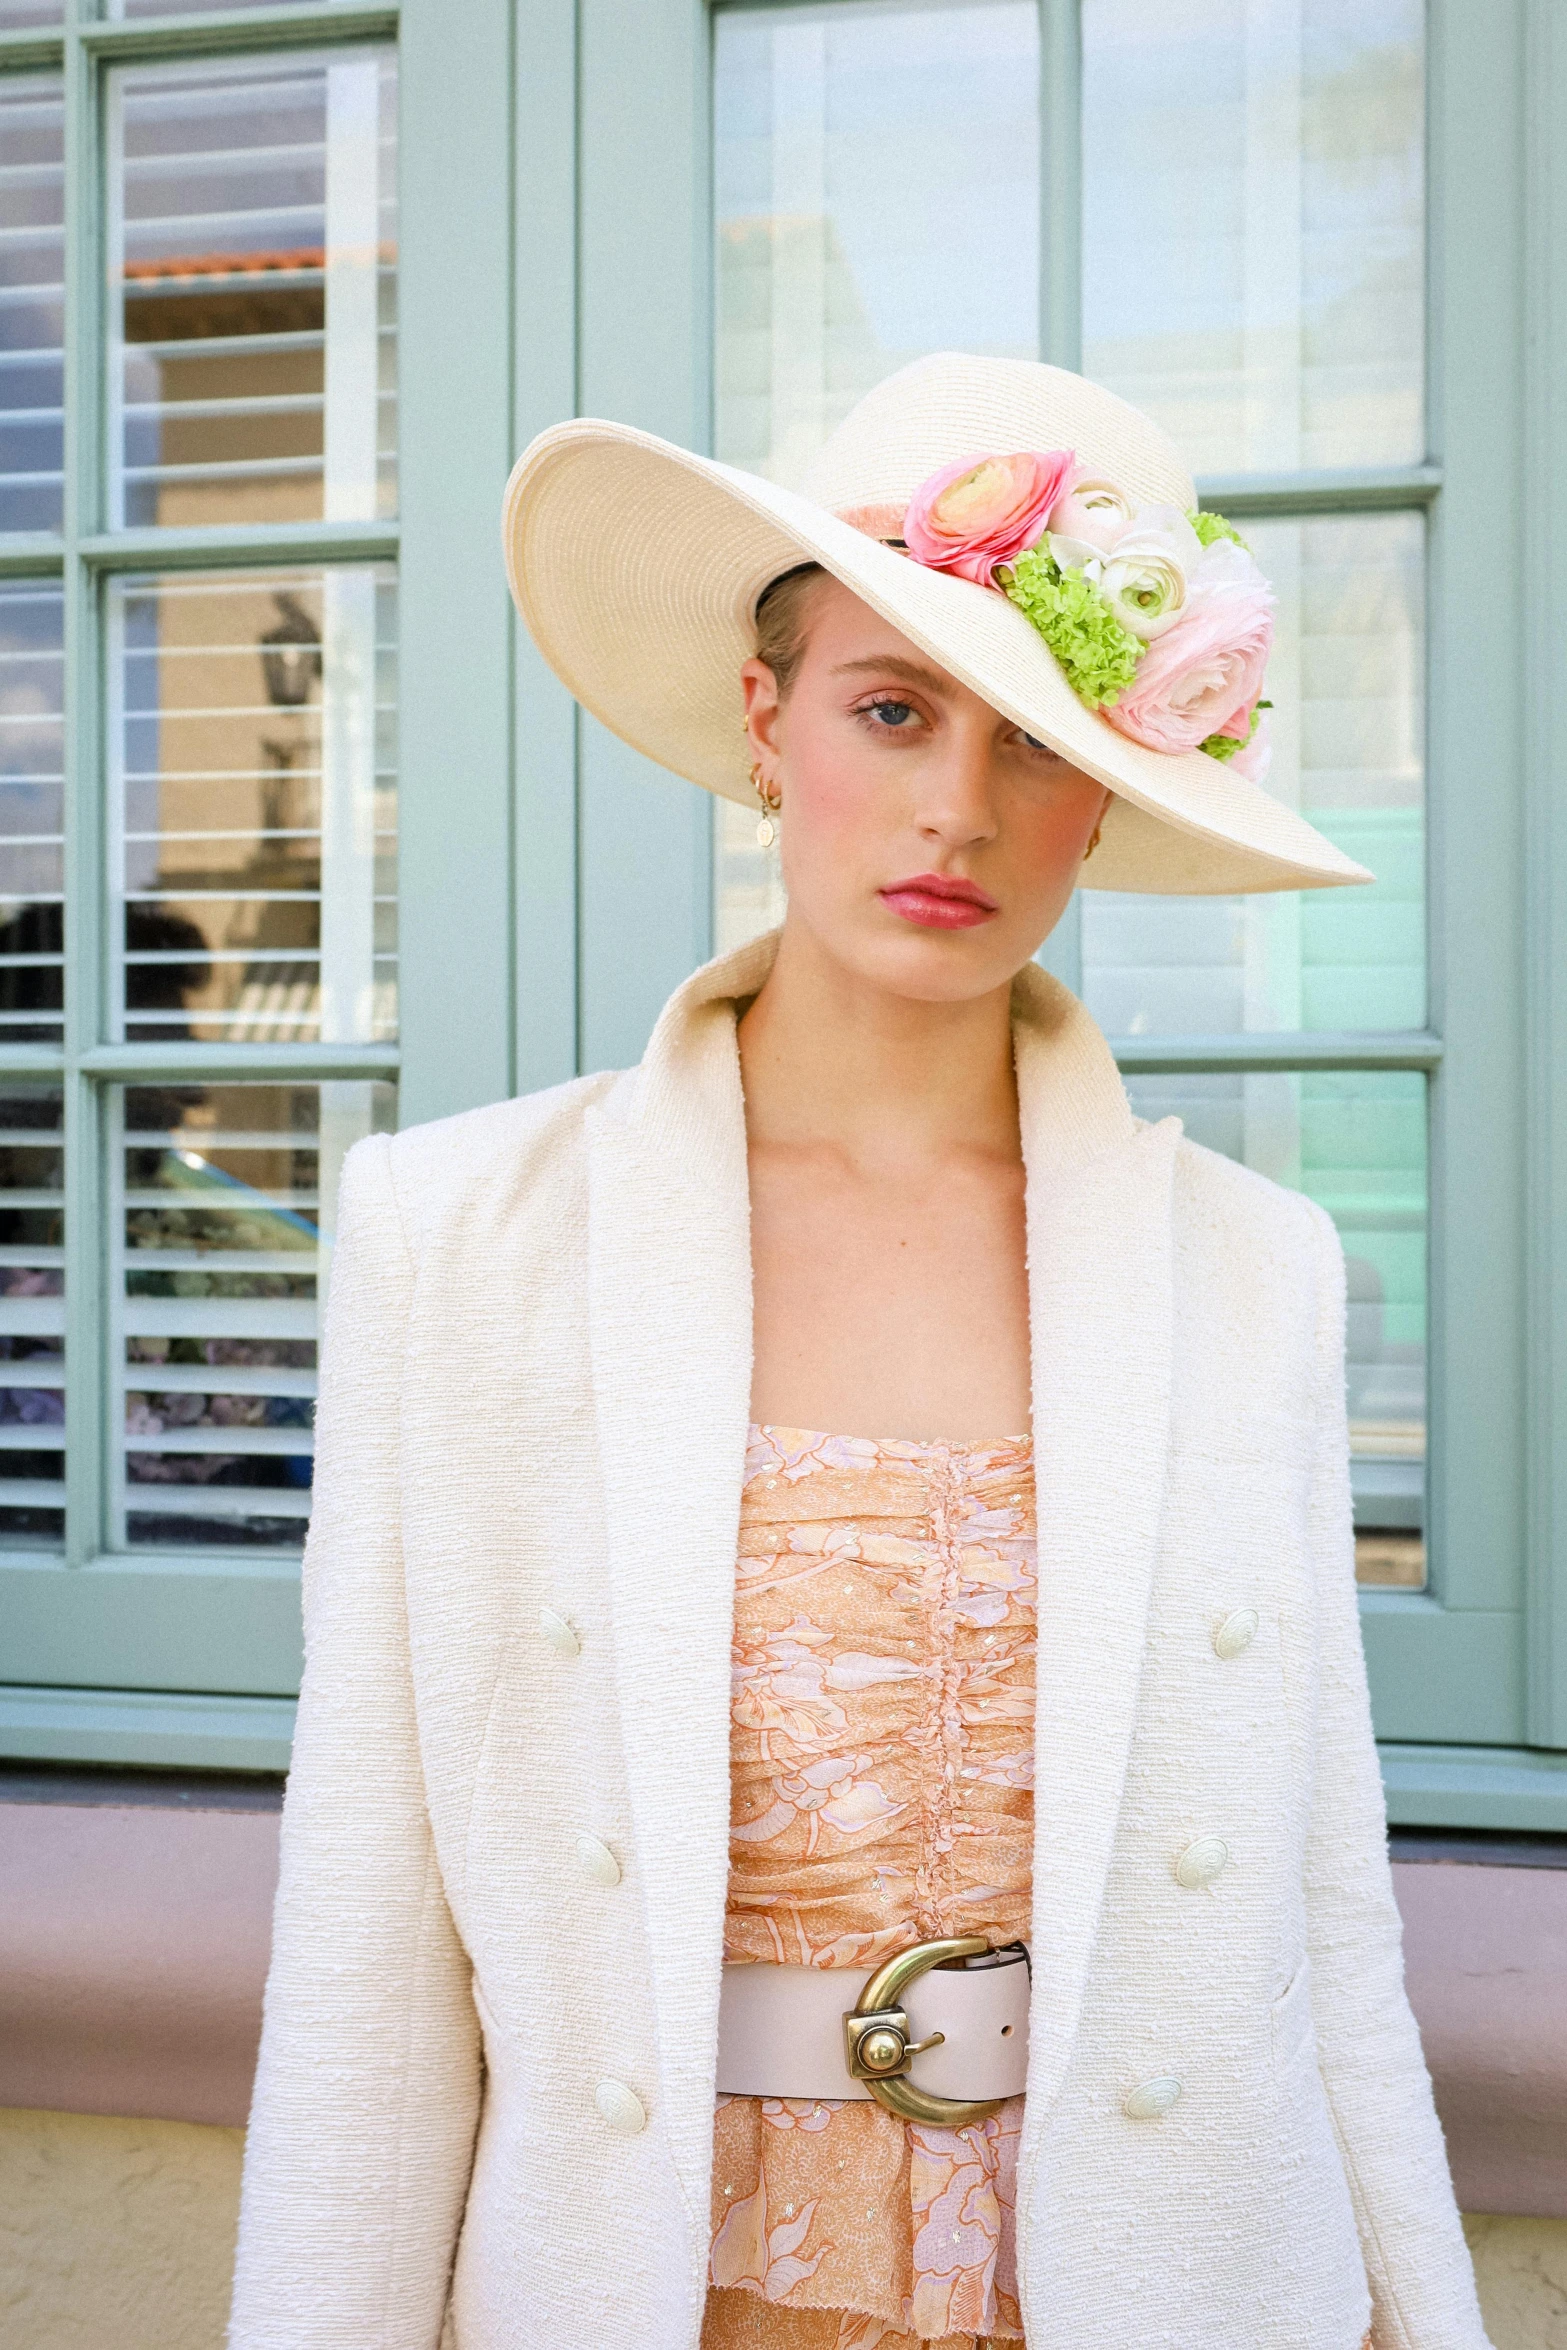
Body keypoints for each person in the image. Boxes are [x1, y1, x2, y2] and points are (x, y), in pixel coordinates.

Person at [228, 355, 1491, 2350]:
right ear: (765, 721)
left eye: (1039, 737)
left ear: (1116, 794)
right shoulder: (464, 1237)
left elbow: (1317, 1915)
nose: (957, 808)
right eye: (890, 709)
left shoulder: (1256, 1271)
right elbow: (371, 1959)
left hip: (1165, 2278)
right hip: (662, 2280)